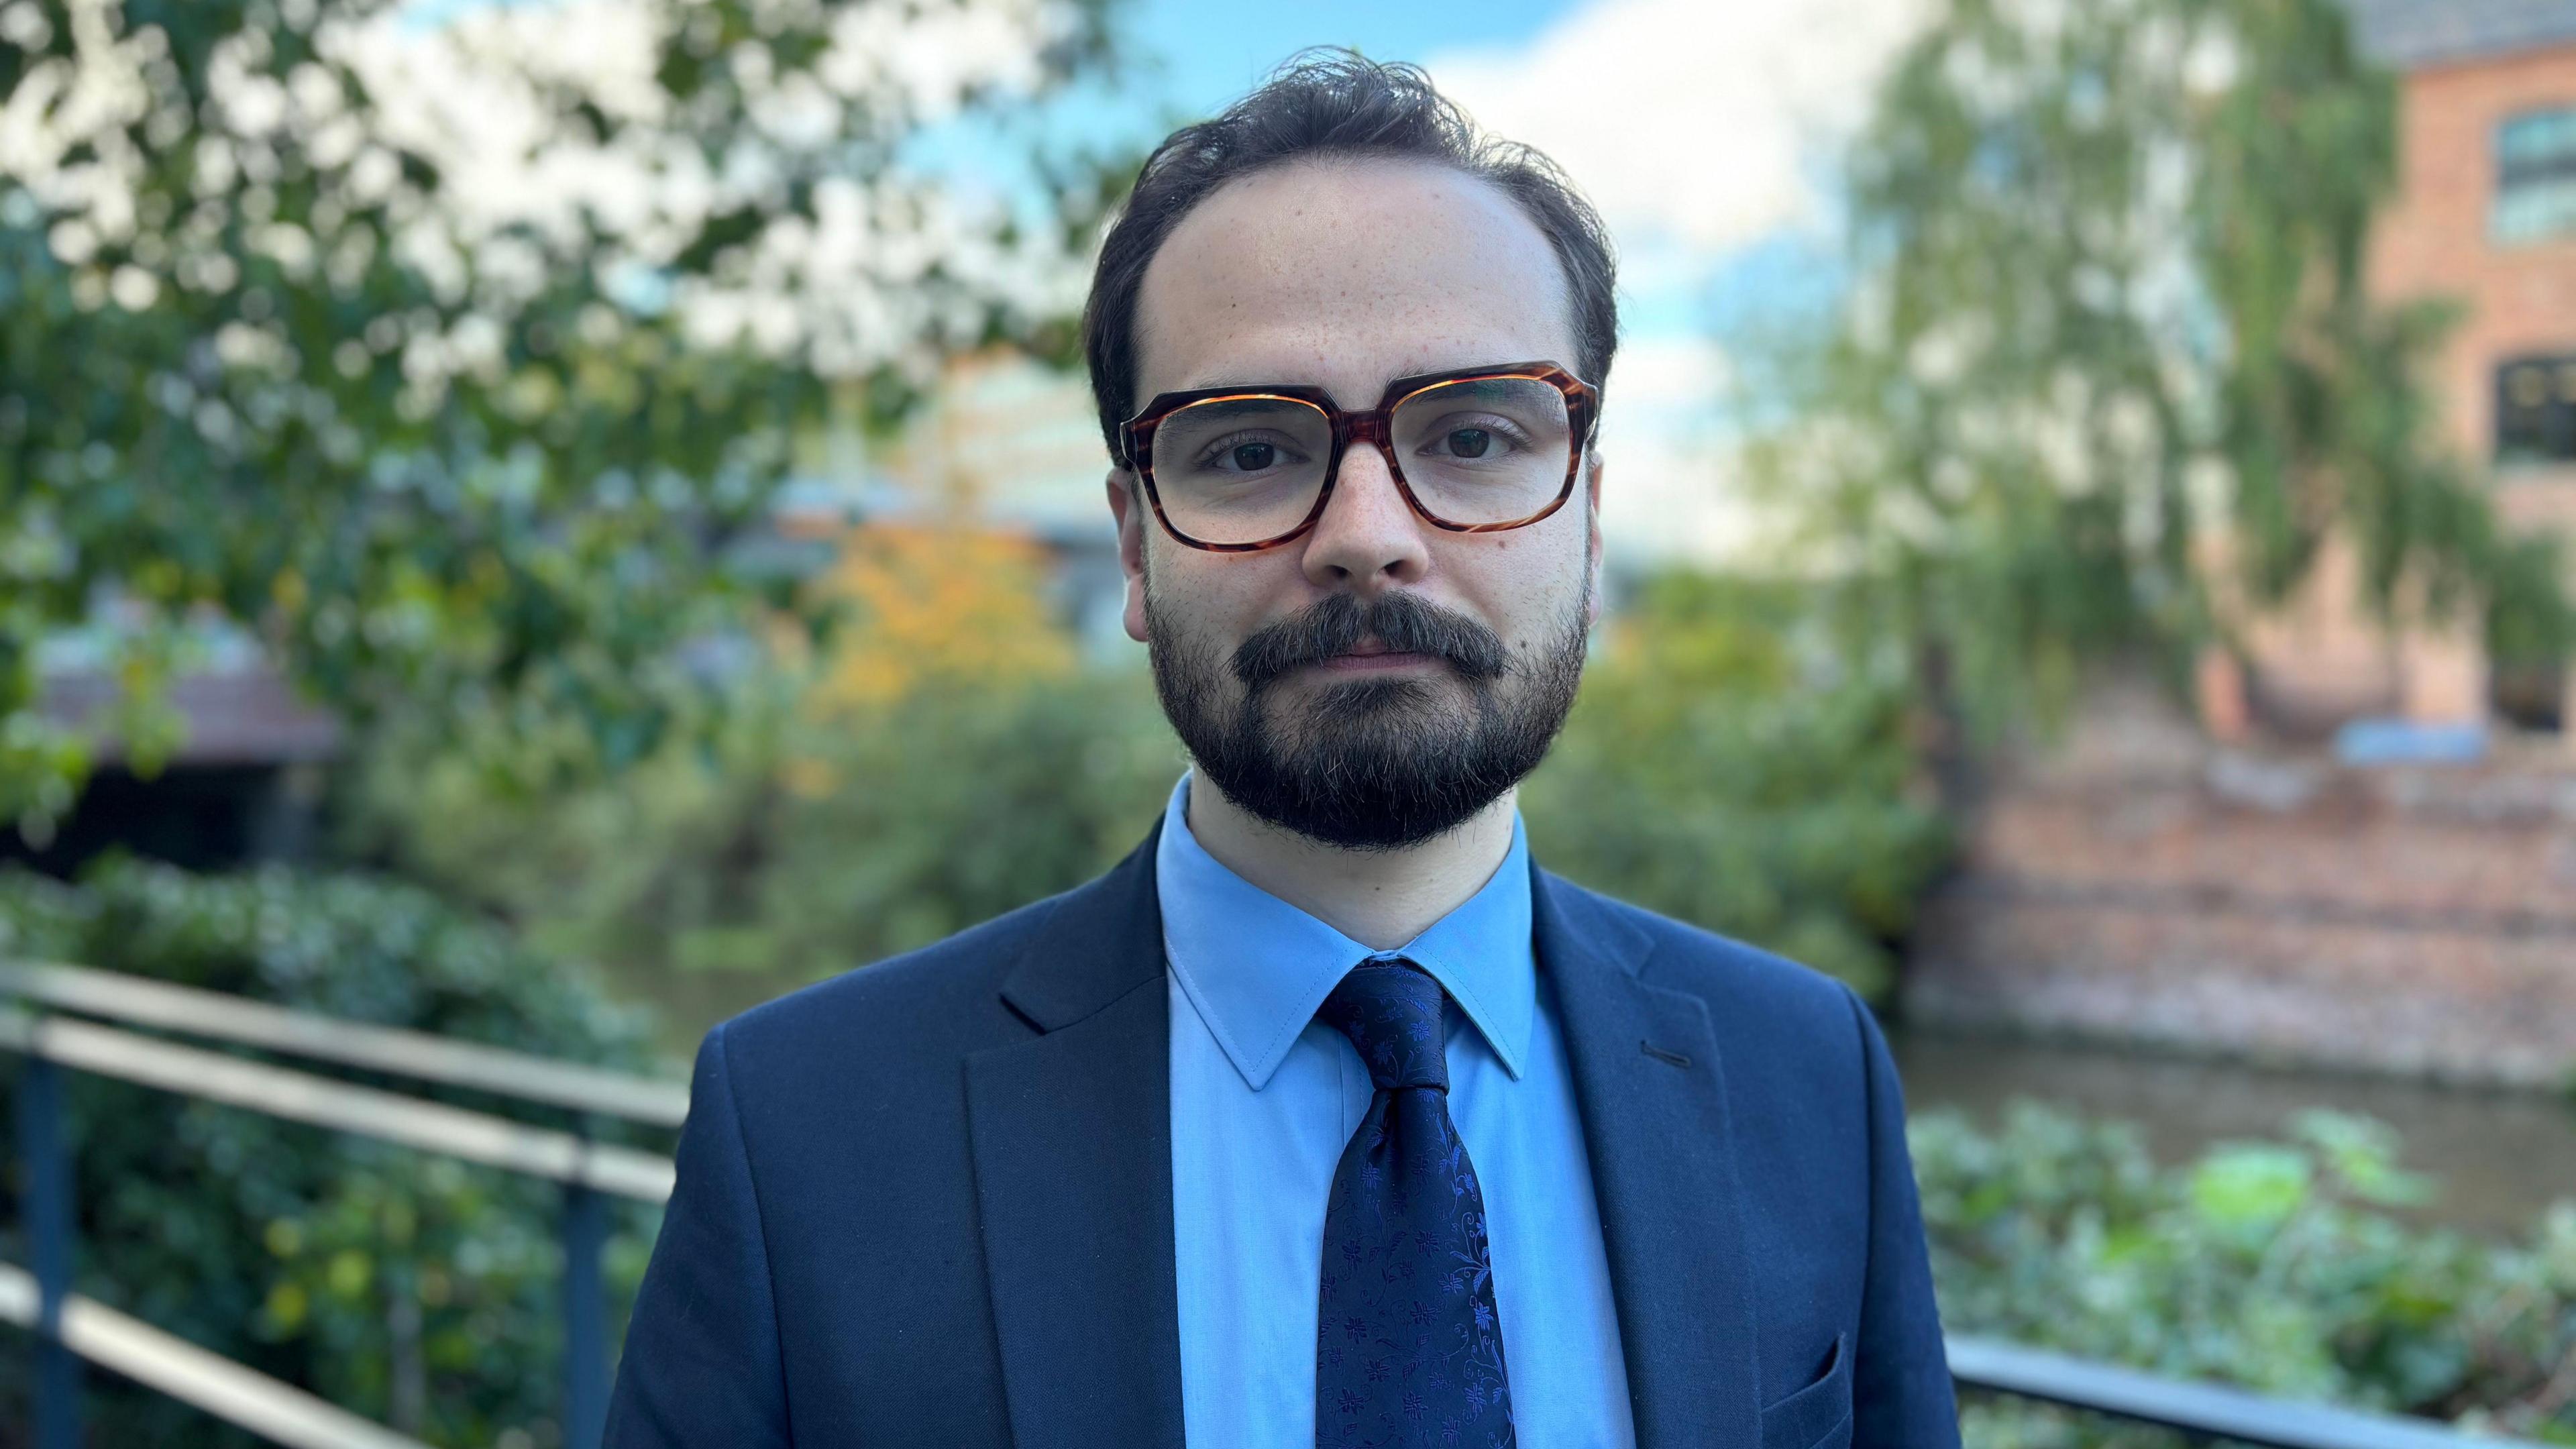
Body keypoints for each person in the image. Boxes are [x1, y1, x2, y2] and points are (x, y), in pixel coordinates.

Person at [606, 50, 1959, 1449]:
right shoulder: (805, 1134)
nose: (1369, 531)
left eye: (1476, 434)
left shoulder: (1808, 1077)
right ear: (1134, 547)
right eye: (1249, 451)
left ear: (1591, 524)